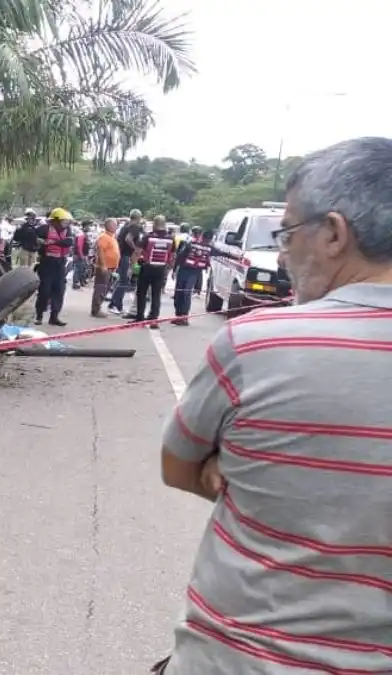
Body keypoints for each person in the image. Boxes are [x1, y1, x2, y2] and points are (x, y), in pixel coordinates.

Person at [152, 136, 392, 675]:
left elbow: (177, 466)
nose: (281, 253)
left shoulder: (256, 342)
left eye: (288, 233)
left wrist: (232, 469)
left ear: (333, 233)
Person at [130, 215, 174, 328]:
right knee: (156, 295)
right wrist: (169, 268)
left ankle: (140, 318)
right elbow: (172, 255)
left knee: (142, 293)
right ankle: (154, 319)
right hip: (161, 269)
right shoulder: (170, 238)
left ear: (154, 225)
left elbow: (137, 252)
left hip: (147, 267)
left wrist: (133, 266)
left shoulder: (147, 237)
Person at [33, 207, 74, 326]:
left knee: (59, 290)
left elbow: (69, 242)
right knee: (44, 290)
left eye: (66, 221)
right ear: (55, 221)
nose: (65, 224)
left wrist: (52, 242)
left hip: (60, 263)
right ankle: (39, 316)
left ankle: (54, 317)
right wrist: (39, 242)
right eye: (63, 221)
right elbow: (33, 238)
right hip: (47, 263)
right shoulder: (44, 229)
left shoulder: (67, 230)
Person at [170, 225, 210, 325]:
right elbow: (179, 256)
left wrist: (174, 270)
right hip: (188, 271)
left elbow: (179, 257)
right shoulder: (188, 243)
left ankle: (183, 317)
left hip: (188, 272)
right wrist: (174, 270)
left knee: (184, 294)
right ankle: (180, 316)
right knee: (181, 294)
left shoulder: (199, 245)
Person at [108, 209, 145, 313]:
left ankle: (114, 303)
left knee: (121, 279)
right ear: (139, 218)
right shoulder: (135, 227)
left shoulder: (126, 225)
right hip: (125, 255)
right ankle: (115, 304)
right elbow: (128, 239)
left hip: (120, 254)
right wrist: (135, 249)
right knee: (124, 281)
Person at [92, 218, 120, 317]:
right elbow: (101, 251)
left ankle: (97, 308)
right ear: (108, 226)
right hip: (104, 267)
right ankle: (96, 310)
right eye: (114, 224)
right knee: (101, 288)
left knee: (105, 288)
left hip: (110, 267)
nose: (116, 226)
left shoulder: (111, 237)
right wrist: (103, 265)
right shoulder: (104, 237)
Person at [72, 222, 90, 289]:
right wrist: (81, 255)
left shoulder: (84, 234)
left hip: (82, 254)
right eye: (88, 226)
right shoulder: (81, 234)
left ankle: (80, 281)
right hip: (79, 255)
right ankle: (75, 283)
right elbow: (79, 246)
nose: (89, 228)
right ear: (84, 227)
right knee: (78, 269)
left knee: (82, 269)